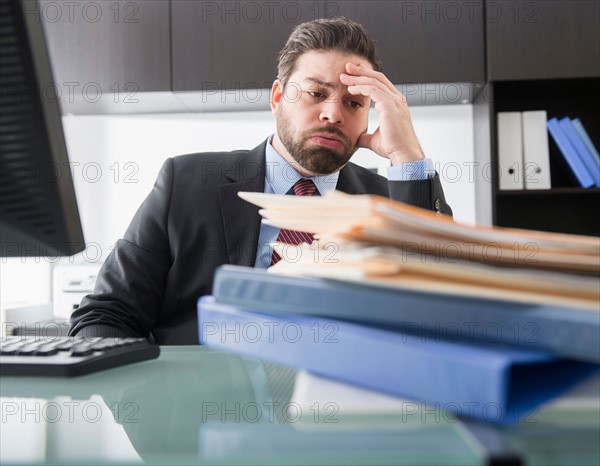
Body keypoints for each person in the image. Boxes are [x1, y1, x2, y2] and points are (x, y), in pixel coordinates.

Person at [69, 17, 452, 344]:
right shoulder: (185, 184)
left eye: (354, 103)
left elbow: (441, 312)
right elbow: (106, 315)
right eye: (317, 93)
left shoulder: (386, 201)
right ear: (276, 97)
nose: (333, 114)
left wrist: (409, 159)